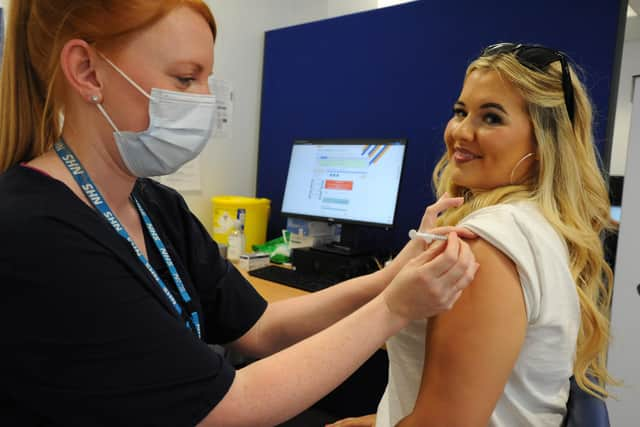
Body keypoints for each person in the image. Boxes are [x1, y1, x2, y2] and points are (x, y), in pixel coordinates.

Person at [0, 1, 479, 426]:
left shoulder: (153, 203)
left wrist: (390, 276)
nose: (205, 101)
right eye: (185, 78)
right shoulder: (33, 231)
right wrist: (394, 309)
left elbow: (260, 329)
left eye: (207, 79)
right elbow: (225, 408)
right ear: (87, 71)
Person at [328, 43, 617, 427]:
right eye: (460, 112)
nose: (461, 131)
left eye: (492, 118)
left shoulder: (486, 246)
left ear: (544, 142)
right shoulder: (534, 227)